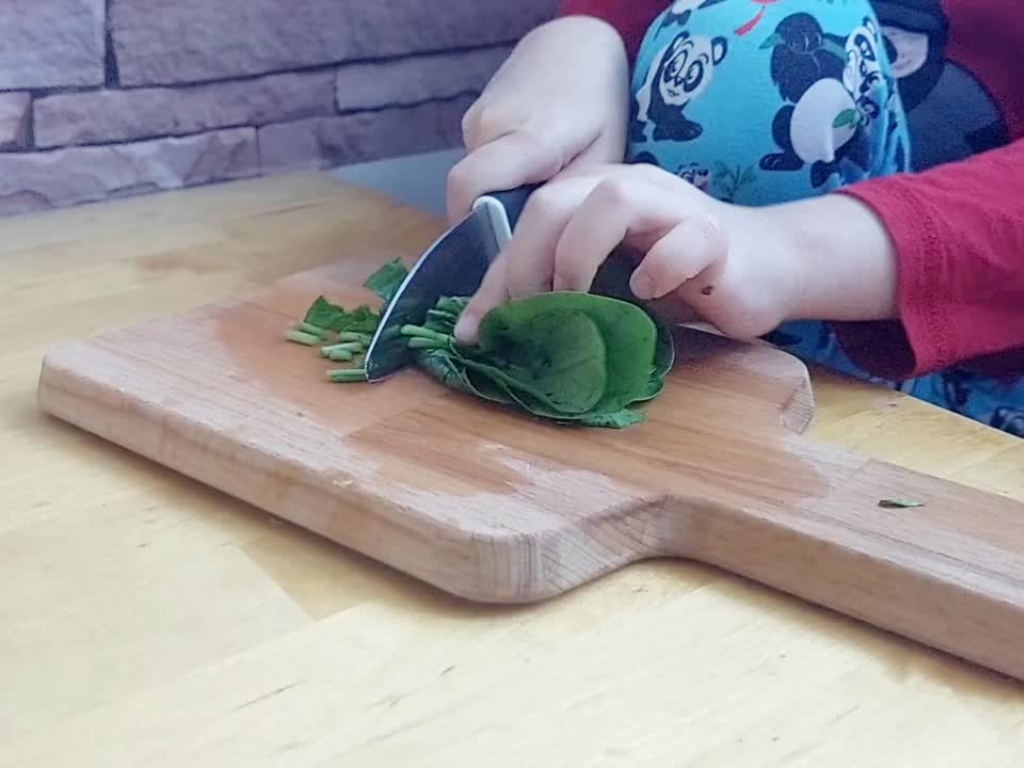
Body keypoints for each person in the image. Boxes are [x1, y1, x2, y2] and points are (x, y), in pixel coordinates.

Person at [445, 0, 1024, 437]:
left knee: (767, 33)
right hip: (721, 311)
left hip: (986, 387)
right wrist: (583, 39)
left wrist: (795, 253)